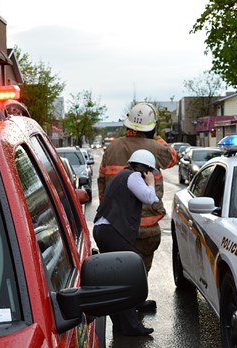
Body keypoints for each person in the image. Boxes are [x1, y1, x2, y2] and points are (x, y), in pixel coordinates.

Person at [98, 102, 178, 313]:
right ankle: (135, 302)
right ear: (152, 128)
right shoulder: (156, 147)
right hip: (146, 226)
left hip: (116, 225)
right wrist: (155, 137)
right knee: (141, 266)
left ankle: (126, 306)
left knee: (120, 268)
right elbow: (173, 157)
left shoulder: (112, 147)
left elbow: (101, 181)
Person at [93, 149, 159, 336]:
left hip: (105, 230)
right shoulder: (133, 177)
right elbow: (149, 198)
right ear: (144, 168)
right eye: (149, 170)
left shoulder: (124, 175)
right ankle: (131, 326)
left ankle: (121, 324)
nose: (149, 174)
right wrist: (151, 183)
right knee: (126, 277)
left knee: (116, 280)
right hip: (112, 231)